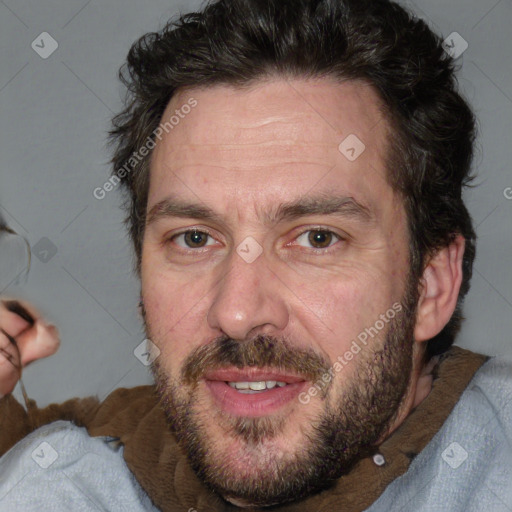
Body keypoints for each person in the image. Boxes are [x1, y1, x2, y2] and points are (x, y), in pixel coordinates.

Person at [1, 0, 511, 510]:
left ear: (432, 287)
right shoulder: (53, 486)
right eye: (195, 239)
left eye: (316, 238)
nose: (238, 313)